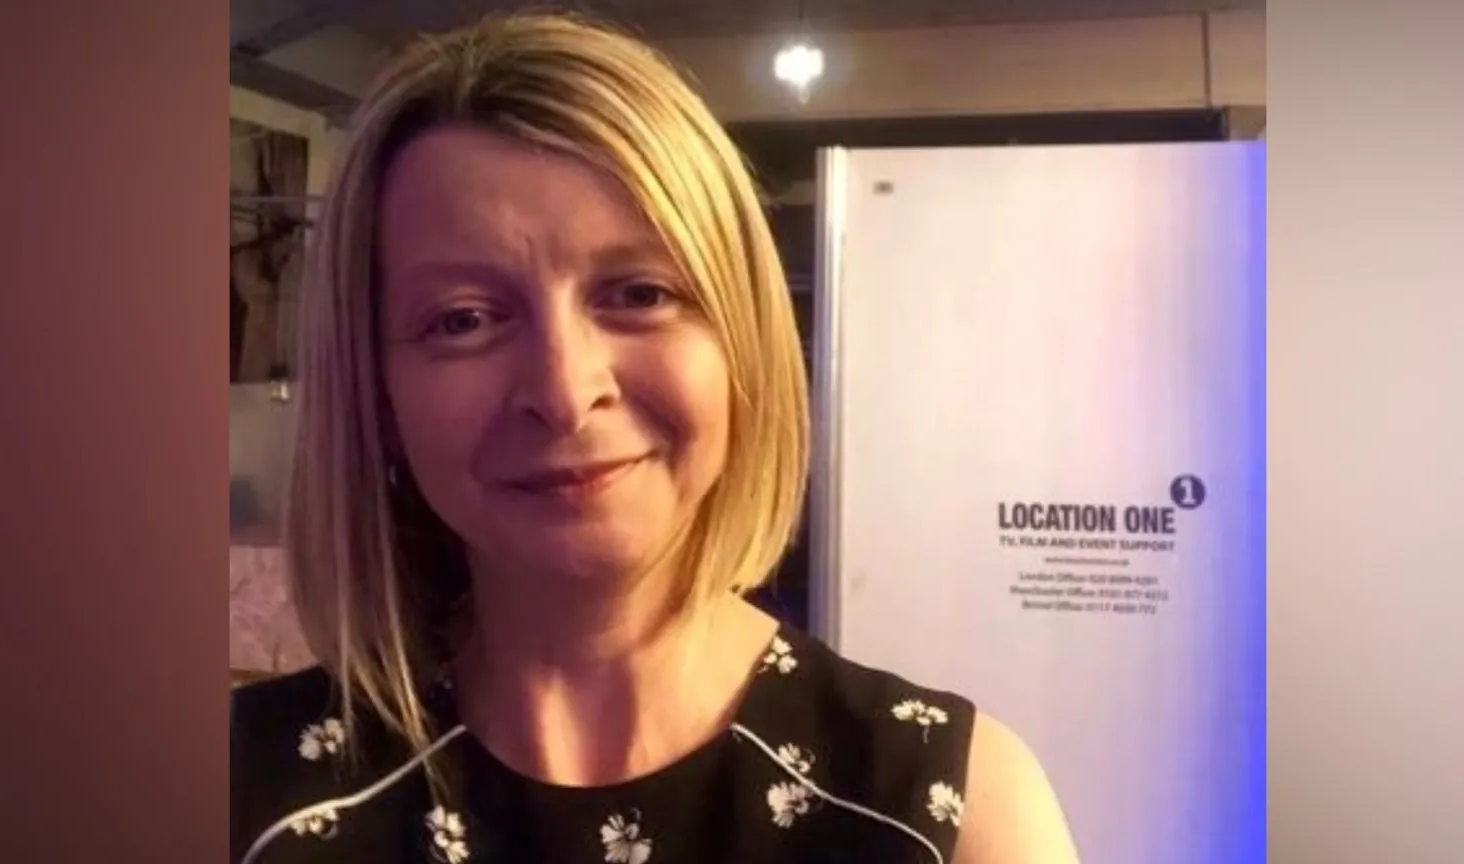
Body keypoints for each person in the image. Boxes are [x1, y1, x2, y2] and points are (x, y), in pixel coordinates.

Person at [230, 12, 1079, 864]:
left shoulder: (950, 811)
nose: (565, 394)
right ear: (377, 392)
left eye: (639, 294)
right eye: (463, 319)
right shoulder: (236, 792)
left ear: (742, 339)